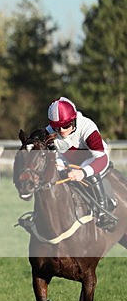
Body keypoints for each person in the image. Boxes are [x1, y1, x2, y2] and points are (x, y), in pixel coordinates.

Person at [45, 96, 116, 230]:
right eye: (56, 127)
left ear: (73, 120)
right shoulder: (49, 131)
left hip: (94, 158)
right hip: (68, 159)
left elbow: (102, 159)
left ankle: (103, 211)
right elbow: (54, 154)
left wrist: (83, 172)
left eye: (65, 126)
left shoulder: (88, 127)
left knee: (84, 169)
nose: (61, 131)